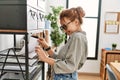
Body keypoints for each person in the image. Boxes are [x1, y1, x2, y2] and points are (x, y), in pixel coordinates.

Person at [35, 6, 88, 80]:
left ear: (76, 22)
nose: (64, 30)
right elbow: (60, 59)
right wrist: (47, 47)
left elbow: (70, 66)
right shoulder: (74, 37)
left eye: (65, 26)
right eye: (62, 27)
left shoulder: (77, 38)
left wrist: (45, 58)